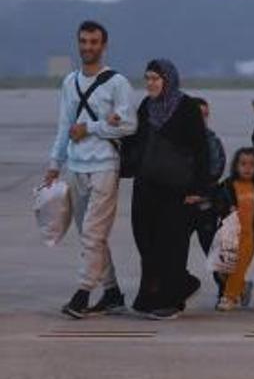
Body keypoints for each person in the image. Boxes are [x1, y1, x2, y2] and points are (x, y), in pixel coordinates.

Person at [45, 20, 137, 319]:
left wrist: (91, 128)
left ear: (104, 45)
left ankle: (82, 294)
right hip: (75, 166)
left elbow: (128, 125)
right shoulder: (70, 82)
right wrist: (54, 164)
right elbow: (64, 126)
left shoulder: (117, 82)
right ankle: (111, 293)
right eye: (83, 41)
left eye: (94, 42)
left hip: (105, 167)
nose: (88, 47)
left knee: (93, 234)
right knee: (90, 235)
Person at [128, 59, 209, 319]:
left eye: (156, 78)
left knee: (171, 245)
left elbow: (201, 149)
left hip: (176, 190)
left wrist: (199, 188)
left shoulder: (186, 108)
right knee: (146, 242)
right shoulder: (146, 106)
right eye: (148, 78)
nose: (150, 83)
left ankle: (171, 299)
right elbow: (136, 143)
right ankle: (153, 295)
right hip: (146, 187)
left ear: (168, 79)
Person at [214, 148, 254, 311]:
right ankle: (243, 287)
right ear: (235, 166)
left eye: (252, 165)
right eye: (243, 164)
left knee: (238, 269)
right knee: (222, 271)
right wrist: (225, 208)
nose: (247, 168)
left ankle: (229, 298)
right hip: (229, 236)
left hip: (249, 237)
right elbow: (217, 203)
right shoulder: (228, 185)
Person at [183, 97, 225, 292]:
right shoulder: (179, 141)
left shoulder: (212, 141)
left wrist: (200, 193)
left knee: (212, 249)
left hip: (205, 204)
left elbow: (216, 170)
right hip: (183, 203)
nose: (203, 119)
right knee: (176, 250)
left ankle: (227, 288)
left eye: (206, 115)